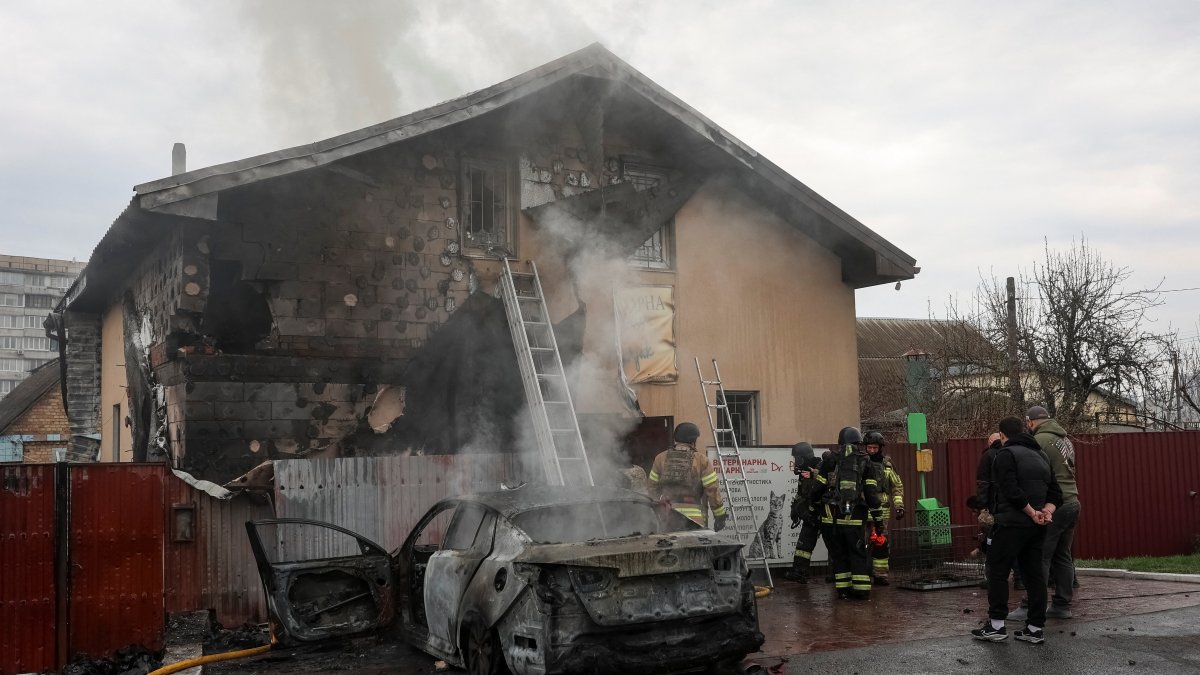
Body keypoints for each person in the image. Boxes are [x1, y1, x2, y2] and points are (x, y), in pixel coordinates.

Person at [971, 415, 1062, 645]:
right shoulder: (1040, 455)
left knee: (997, 571)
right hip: (1036, 528)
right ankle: (1035, 628)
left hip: (1011, 524)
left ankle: (997, 625)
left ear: (1002, 435)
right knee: (1034, 575)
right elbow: (1056, 494)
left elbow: (1011, 490)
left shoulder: (1005, 454)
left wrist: (1031, 512)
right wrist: (1046, 512)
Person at [1027, 405, 1080, 619]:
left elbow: (1035, 472)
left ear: (1030, 422)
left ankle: (1032, 604)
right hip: (1073, 501)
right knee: (1062, 555)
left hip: (1054, 504)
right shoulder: (1064, 440)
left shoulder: (1040, 441)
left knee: (1041, 555)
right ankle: (1062, 604)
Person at [823, 426, 884, 600]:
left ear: (840, 442)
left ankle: (843, 591)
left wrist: (811, 508)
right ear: (859, 443)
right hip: (855, 519)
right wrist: (879, 521)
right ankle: (862, 591)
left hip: (832, 518)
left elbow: (818, 489)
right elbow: (872, 495)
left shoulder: (831, 460)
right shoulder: (866, 462)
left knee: (839, 555)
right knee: (857, 554)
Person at [648, 422, 728, 530]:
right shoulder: (701, 460)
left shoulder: (660, 458)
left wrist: (657, 510)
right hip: (693, 520)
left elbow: (652, 488)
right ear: (693, 440)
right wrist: (720, 516)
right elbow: (712, 490)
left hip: (667, 517)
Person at [863, 431, 904, 585]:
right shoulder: (860, 463)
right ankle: (862, 574)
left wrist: (899, 506)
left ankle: (880, 575)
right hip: (862, 510)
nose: (872, 451)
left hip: (882, 511)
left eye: (875, 448)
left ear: (880, 448)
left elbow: (897, 486)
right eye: (869, 447)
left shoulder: (887, 465)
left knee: (880, 543)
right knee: (861, 542)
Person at [782, 442, 824, 583]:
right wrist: (796, 510)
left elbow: (827, 487)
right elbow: (801, 494)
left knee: (835, 545)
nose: (796, 462)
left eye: (797, 458)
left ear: (804, 457)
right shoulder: (803, 472)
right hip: (811, 516)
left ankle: (839, 574)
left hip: (825, 514)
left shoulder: (821, 467)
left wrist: (813, 475)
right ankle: (800, 572)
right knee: (803, 546)